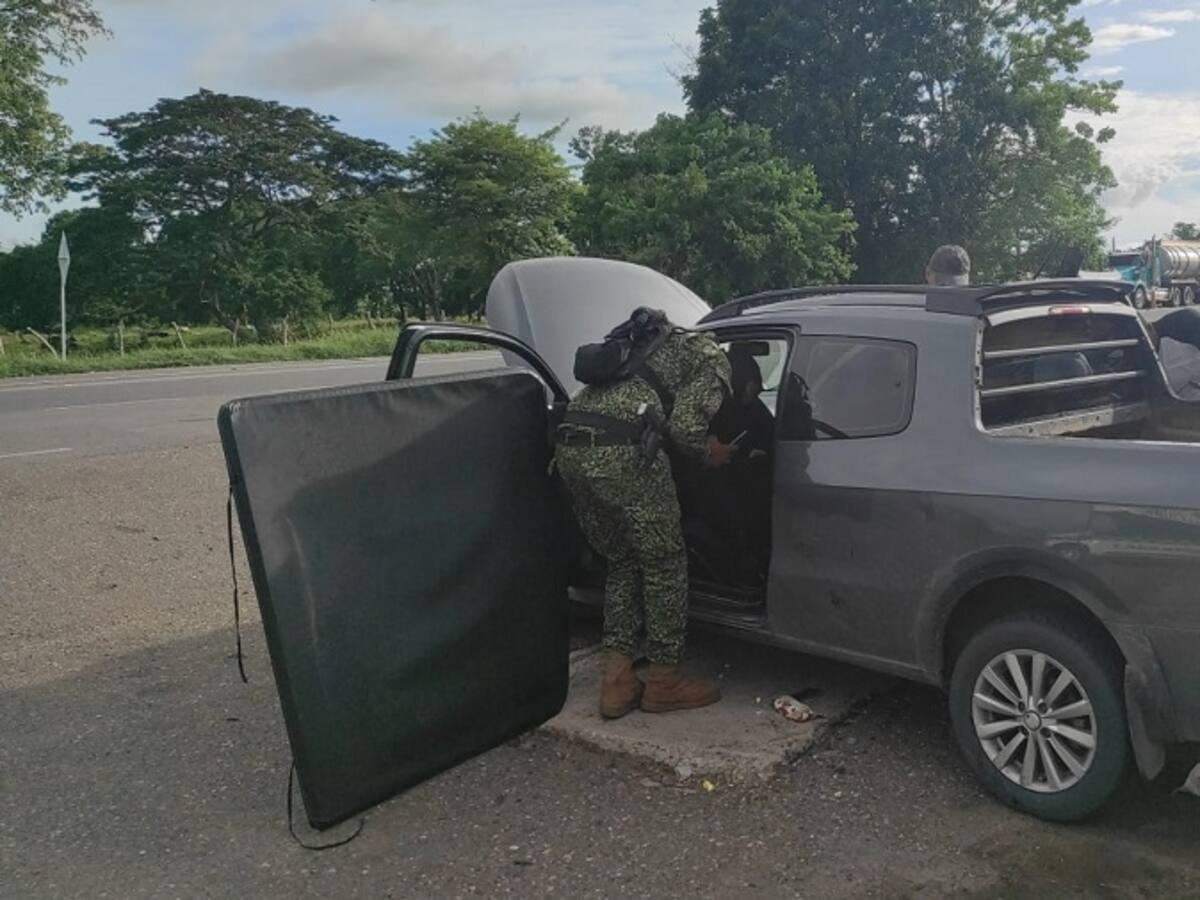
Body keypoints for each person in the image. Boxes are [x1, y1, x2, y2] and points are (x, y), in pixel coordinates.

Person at [555, 311, 733, 719]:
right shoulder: (709, 357)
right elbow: (687, 430)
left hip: (571, 445)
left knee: (622, 561)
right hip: (622, 454)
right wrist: (713, 453)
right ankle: (665, 683)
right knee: (664, 563)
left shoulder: (637, 344)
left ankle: (616, 682)